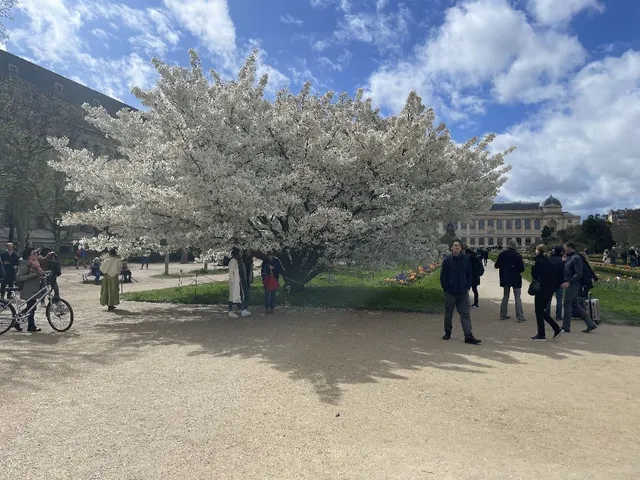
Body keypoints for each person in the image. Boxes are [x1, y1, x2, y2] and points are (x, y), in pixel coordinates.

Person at [439, 239, 481, 344]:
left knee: (465, 314)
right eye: (455, 245)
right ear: (451, 248)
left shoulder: (466, 259)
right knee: (448, 314)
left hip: (462, 292)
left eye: (458, 245)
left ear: (461, 248)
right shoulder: (447, 260)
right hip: (450, 292)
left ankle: (468, 335)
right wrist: (446, 288)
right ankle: (447, 332)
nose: (457, 247)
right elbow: (443, 276)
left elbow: (469, 274)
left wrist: (467, 286)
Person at [561, 242, 597, 333]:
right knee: (574, 305)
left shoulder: (576, 258)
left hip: (573, 284)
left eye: (565, 248)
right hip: (572, 283)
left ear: (570, 247)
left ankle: (566, 327)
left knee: (567, 303)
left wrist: (569, 282)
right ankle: (590, 324)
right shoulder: (570, 257)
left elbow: (579, 273)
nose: (564, 249)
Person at [530, 245, 563, 340]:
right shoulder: (548, 261)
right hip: (548, 288)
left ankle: (544, 333)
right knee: (541, 311)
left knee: (539, 311)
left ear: (538, 251)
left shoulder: (539, 261)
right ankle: (554, 329)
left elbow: (535, 275)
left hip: (541, 288)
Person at [495, 239, 526, 322]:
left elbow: (496, 265)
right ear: (515, 246)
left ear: (508, 245)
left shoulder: (502, 254)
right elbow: (522, 269)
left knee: (505, 296)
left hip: (505, 278)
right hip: (515, 278)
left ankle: (503, 315)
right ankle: (520, 317)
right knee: (517, 298)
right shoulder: (518, 255)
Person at [15, 247, 45, 332]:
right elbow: (18, 277)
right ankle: (30, 326)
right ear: (28, 256)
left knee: (31, 307)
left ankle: (18, 322)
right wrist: (31, 276)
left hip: (33, 288)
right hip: (28, 289)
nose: (36, 254)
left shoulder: (35, 263)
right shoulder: (25, 265)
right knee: (31, 308)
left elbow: (40, 272)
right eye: (33, 253)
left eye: (36, 253)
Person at [227, 247, 250, 318]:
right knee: (232, 296)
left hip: (238, 281)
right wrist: (232, 280)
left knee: (238, 296)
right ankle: (230, 311)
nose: (242, 253)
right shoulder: (233, 260)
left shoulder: (238, 260)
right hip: (234, 281)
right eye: (240, 252)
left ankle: (242, 310)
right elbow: (231, 271)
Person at [545, 246, 565, 321]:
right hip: (559, 282)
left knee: (548, 300)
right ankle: (558, 316)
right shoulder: (562, 260)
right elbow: (563, 272)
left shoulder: (549, 259)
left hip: (550, 281)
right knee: (559, 300)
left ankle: (547, 315)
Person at [241, 249, 254, 314]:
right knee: (244, 294)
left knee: (247, 294)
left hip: (248, 278)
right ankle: (243, 308)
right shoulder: (242, 260)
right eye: (247, 252)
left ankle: (245, 307)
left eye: (249, 252)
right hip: (244, 279)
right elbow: (243, 270)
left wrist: (251, 277)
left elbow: (251, 270)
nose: (248, 253)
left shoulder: (250, 260)